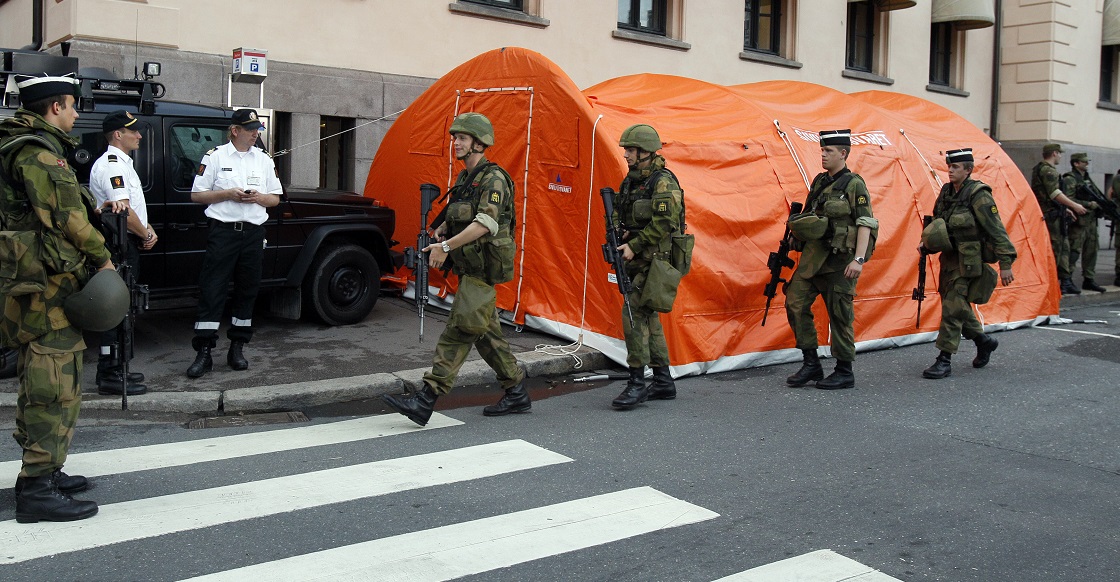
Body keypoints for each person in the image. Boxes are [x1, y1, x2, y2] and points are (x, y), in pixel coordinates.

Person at [0, 74, 114, 522]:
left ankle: (45, 470)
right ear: (53, 108)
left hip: (32, 283)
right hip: (47, 288)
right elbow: (67, 219)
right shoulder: (39, 154)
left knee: (40, 379)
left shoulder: (21, 146)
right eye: (71, 106)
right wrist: (103, 260)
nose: (75, 113)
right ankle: (37, 488)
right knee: (55, 385)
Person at [381, 112, 527, 426]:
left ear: (478, 142)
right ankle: (516, 391)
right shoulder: (466, 178)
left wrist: (445, 248)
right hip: (469, 264)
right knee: (485, 333)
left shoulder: (495, 178)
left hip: (484, 268)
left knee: (460, 328)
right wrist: (441, 229)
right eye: (455, 138)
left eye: (461, 138)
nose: (456, 143)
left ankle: (425, 399)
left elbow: (486, 223)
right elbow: (460, 213)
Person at [185, 109, 281, 378]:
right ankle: (204, 352)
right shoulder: (214, 156)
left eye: (257, 129)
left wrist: (259, 198)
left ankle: (237, 347)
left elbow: (275, 198)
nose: (255, 133)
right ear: (235, 131)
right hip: (223, 233)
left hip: (252, 233)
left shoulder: (263, 159)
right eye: (250, 129)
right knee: (212, 289)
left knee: (247, 290)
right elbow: (197, 195)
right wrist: (228, 194)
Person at [784, 129, 878, 390]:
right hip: (813, 259)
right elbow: (810, 215)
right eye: (822, 151)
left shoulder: (854, 184)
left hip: (840, 262)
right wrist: (797, 238)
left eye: (829, 151)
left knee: (840, 314)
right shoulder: (819, 181)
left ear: (844, 153)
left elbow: (865, 222)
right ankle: (811, 362)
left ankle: (844, 370)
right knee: (794, 302)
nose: (823, 155)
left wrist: (858, 259)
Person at [919, 148, 1016, 379]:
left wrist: (1006, 262)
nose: (950, 170)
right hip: (949, 259)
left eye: (956, 167)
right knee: (958, 305)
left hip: (969, 261)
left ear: (968, 170)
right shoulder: (946, 192)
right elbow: (937, 223)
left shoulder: (979, 194)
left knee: (952, 308)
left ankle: (944, 359)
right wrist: (926, 243)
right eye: (949, 166)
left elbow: (996, 229)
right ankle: (984, 341)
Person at [608, 124, 684, 409]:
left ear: (646, 153)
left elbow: (665, 222)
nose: (626, 155)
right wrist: (622, 233)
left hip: (655, 260)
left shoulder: (662, 182)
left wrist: (635, 245)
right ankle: (663, 381)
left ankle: (637, 383)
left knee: (633, 317)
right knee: (647, 319)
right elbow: (624, 213)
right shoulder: (632, 181)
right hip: (637, 258)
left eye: (630, 150)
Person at [89, 110, 156, 394]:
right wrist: (146, 233)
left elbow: (133, 210)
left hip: (124, 242)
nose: (139, 135)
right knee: (116, 309)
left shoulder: (122, 164)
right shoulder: (114, 165)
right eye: (133, 131)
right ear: (118, 134)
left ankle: (117, 368)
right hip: (118, 246)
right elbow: (123, 211)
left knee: (124, 309)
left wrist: (146, 227)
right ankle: (110, 373)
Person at [1030, 143, 1087, 295]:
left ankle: (1064, 281)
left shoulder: (1039, 169)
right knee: (1056, 249)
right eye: (1059, 153)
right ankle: (1052, 283)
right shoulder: (1048, 170)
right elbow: (1053, 193)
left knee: (1063, 248)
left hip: (1052, 213)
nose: (1060, 156)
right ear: (1054, 153)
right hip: (1051, 216)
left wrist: (1065, 209)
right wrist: (1074, 205)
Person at [1062, 153, 1105, 293]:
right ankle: (1066, 279)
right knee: (1074, 251)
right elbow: (1068, 199)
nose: (1087, 164)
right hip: (1078, 222)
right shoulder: (1070, 179)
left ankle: (1089, 279)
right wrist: (1089, 204)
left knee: (1091, 251)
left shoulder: (1087, 179)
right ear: (1076, 163)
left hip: (1091, 221)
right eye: (1084, 162)